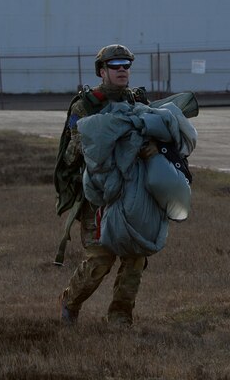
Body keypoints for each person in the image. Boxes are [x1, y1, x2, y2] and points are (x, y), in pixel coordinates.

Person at [55, 44, 155, 326]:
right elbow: (70, 155)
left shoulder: (139, 103)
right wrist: (95, 136)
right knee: (100, 258)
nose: (122, 70)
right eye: (115, 65)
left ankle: (120, 318)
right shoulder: (84, 106)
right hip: (97, 196)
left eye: (126, 65)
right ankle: (69, 302)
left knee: (135, 257)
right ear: (102, 71)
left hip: (131, 193)